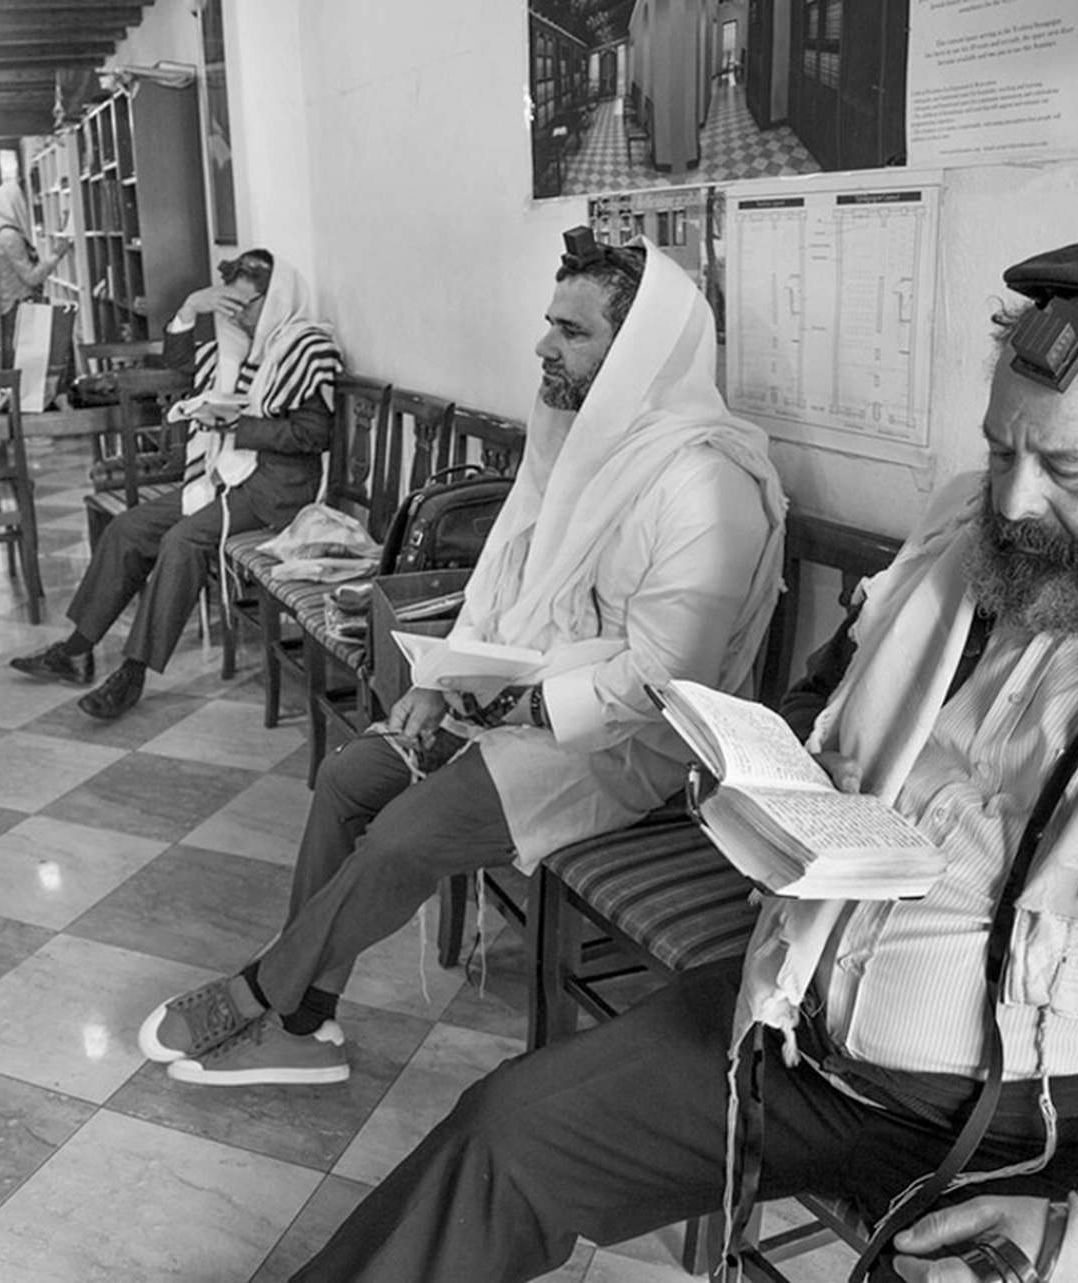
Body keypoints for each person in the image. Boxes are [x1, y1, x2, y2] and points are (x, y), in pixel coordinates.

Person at [286, 239, 1078, 1283]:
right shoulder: (965, 531)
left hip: (1071, 1138)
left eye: (1064, 465)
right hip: (799, 1020)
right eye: (1000, 449)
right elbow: (834, 687)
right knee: (505, 1135)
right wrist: (769, 770)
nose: (1014, 500)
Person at [135, 232, 787, 1087]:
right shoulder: (579, 439)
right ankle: (306, 1019)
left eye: (573, 332)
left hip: (630, 748)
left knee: (404, 833)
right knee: (348, 778)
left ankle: (264, 995)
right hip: (519, 705)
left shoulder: (706, 486)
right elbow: (504, 573)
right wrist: (444, 687)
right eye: (550, 324)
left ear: (640, 354)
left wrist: (512, 704)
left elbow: (663, 685)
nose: (545, 345)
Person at [10, 249, 343, 719]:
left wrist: (233, 427)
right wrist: (190, 308)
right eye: (229, 306)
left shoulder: (307, 348)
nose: (237, 318)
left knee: (181, 540)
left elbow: (314, 435)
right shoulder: (236, 348)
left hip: (276, 490)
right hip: (226, 475)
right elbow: (180, 366)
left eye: (245, 306)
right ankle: (76, 650)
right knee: (128, 528)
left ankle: (133, 671)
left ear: (276, 299)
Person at [0, 180, 69, 363]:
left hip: (2, 307)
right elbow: (31, 277)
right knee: (24, 364)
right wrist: (56, 255)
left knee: (11, 361)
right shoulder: (9, 236)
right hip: (18, 308)